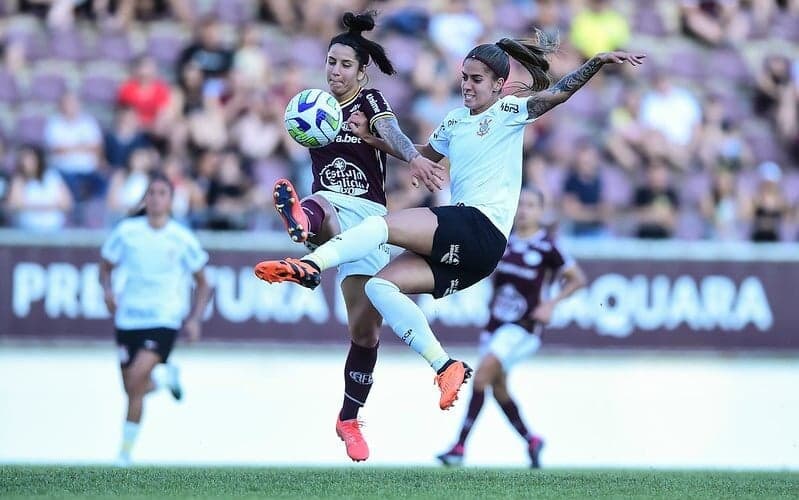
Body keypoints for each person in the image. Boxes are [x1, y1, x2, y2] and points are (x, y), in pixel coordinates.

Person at [255, 30, 643, 443]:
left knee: (383, 227)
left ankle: (311, 262)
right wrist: (370, 139)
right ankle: (445, 367)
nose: (467, 85)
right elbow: (422, 155)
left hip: (480, 225)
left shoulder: (512, 109)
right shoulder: (455, 121)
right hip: (474, 258)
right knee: (381, 287)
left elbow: (560, 93)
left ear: (497, 84)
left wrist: (597, 61)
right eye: (464, 77)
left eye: (477, 79)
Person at [264, 11, 444, 463]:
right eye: (330, 62)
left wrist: (413, 158)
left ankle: (348, 419)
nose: (335, 71)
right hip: (330, 203)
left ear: (362, 71)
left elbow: (392, 132)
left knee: (365, 335)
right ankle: (303, 230)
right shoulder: (314, 107)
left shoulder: (370, 101)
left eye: (344, 64)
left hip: (371, 222)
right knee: (319, 203)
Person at [436, 187, 587, 468]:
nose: (525, 210)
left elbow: (577, 278)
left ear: (541, 211)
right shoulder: (504, 241)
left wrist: (551, 304)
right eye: (521, 205)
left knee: (480, 378)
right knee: (499, 388)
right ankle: (531, 440)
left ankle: (459, 447)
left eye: (531, 205)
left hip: (523, 327)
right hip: (495, 325)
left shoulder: (548, 246)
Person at [99, 171, 212, 465]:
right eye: (151, 193)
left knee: (137, 379)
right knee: (132, 388)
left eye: (162, 193)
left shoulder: (181, 238)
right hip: (129, 318)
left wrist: (195, 318)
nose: (156, 199)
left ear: (171, 201)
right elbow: (105, 266)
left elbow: (204, 282)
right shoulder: (127, 232)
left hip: (164, 317)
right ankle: (164, 378)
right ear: (145, 198)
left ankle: (124, 454)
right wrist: (107, 292)